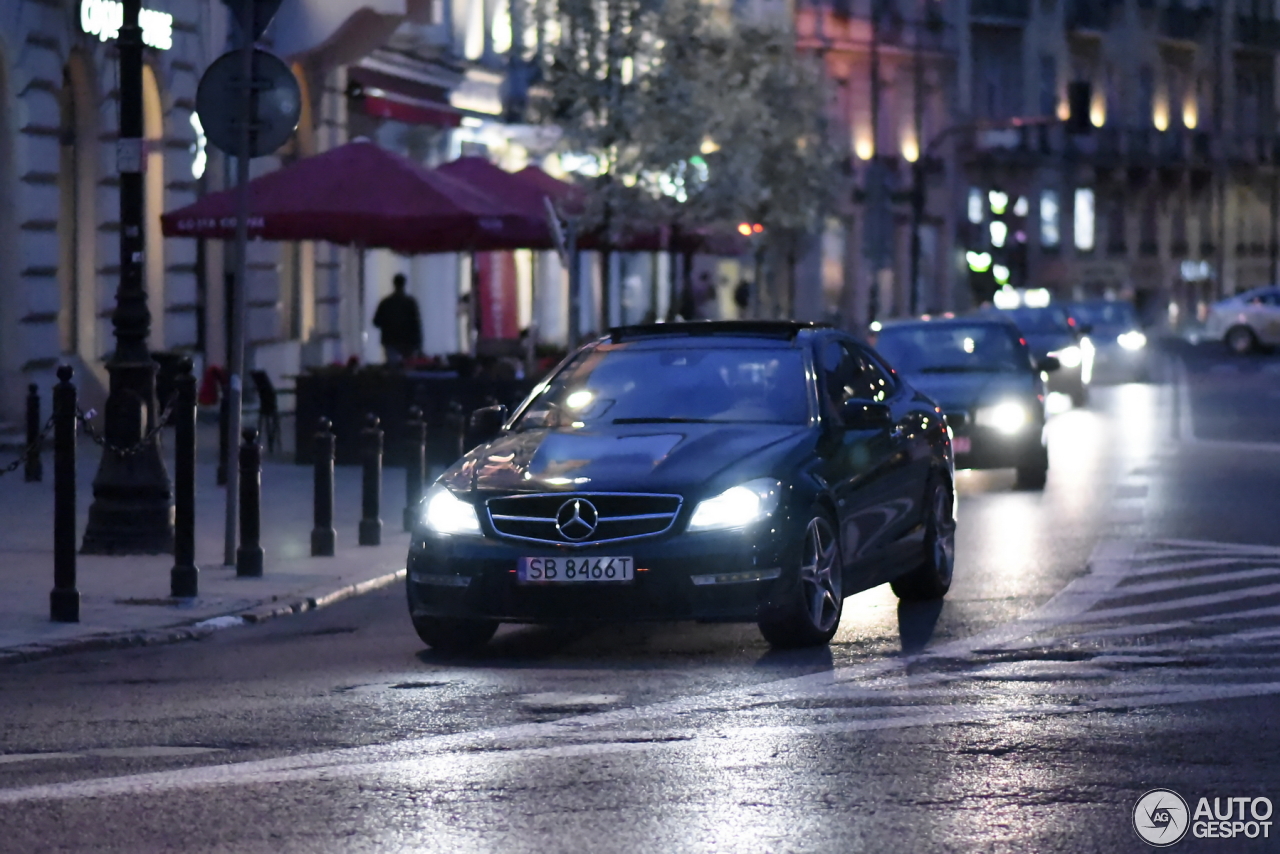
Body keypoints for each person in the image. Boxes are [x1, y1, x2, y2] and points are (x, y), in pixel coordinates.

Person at [372, 273, 422, 364]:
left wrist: (387, 324)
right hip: (408, 342)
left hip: (390, 340)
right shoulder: (410, 302)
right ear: (404, 284)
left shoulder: (386, 303)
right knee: (407, 366)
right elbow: (416, 324)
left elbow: (376, 322)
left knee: (393, 367)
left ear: (394, 284)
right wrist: (419, 345)